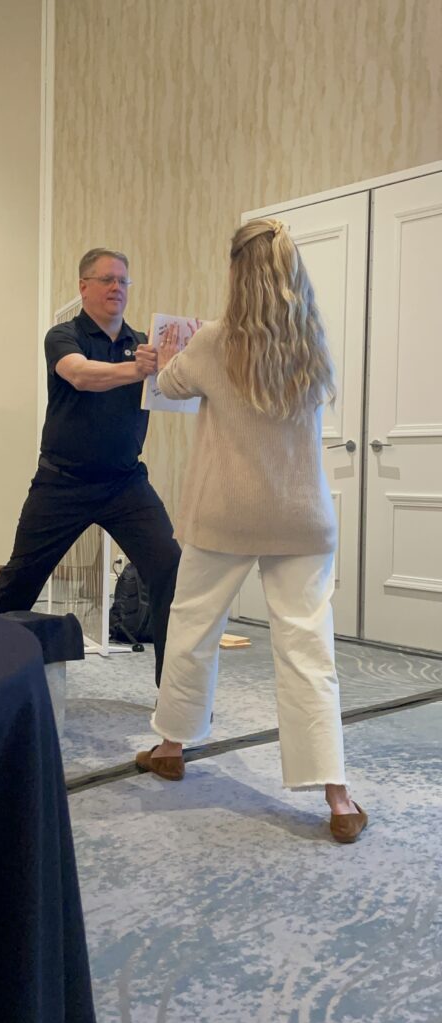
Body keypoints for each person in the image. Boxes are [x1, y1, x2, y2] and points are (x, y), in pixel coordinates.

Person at [135, 219, 368, 843]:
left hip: (226, 515)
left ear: (236, 273)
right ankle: (338, 798)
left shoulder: (212, 342)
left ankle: (170, 745)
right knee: (308, 651)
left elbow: (170, 382)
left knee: (193, 626)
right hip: (301, 516)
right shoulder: (312, 345)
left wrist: (162, 355)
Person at [0, 247, 181, 687]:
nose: (117, 288)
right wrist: (137, 370)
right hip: (62, 483)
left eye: (123, 281)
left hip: (126, 486)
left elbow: (175, 390)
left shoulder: (142, 344)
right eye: (107, 280)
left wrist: (177, 366)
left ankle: (176, 701)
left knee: (171, 569)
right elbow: (81, 375)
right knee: (18, 584)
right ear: (84, 286)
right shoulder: (63, 336)